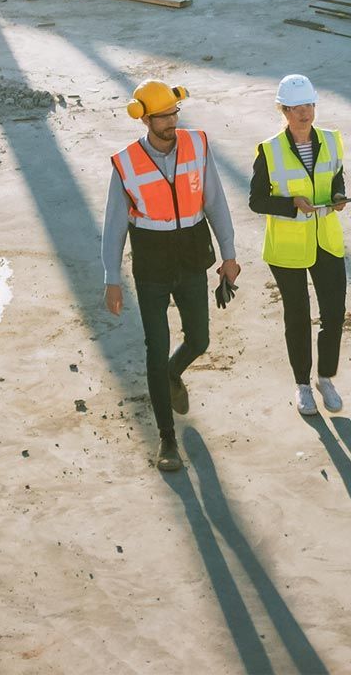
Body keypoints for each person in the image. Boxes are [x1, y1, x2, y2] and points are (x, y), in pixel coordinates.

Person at [102, 79, 241, 473]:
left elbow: (215, 200)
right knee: (155, 346)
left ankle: (171, 375)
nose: (171, 122)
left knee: (200, 338)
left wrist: (229, 255)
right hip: (152, 262)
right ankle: (166, 438)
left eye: (174, 113)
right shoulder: (125, 163)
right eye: (163, 117)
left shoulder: (197, 145)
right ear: (143, 118)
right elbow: (114, 226)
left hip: (193, 254)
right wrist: (112, 277)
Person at [247, 73, 350, 417]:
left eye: (308, 105)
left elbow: (336, 174)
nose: (304, 113)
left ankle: (325, 378)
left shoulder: (333, 140)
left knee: (334, 313)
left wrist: (337, 195)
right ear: (284, 110)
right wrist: (291, 203)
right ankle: (303, 384)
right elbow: (257, 201)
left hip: (326, 240)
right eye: (296, 108)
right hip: (288, 247)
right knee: (298, 316)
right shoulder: (270, 150)